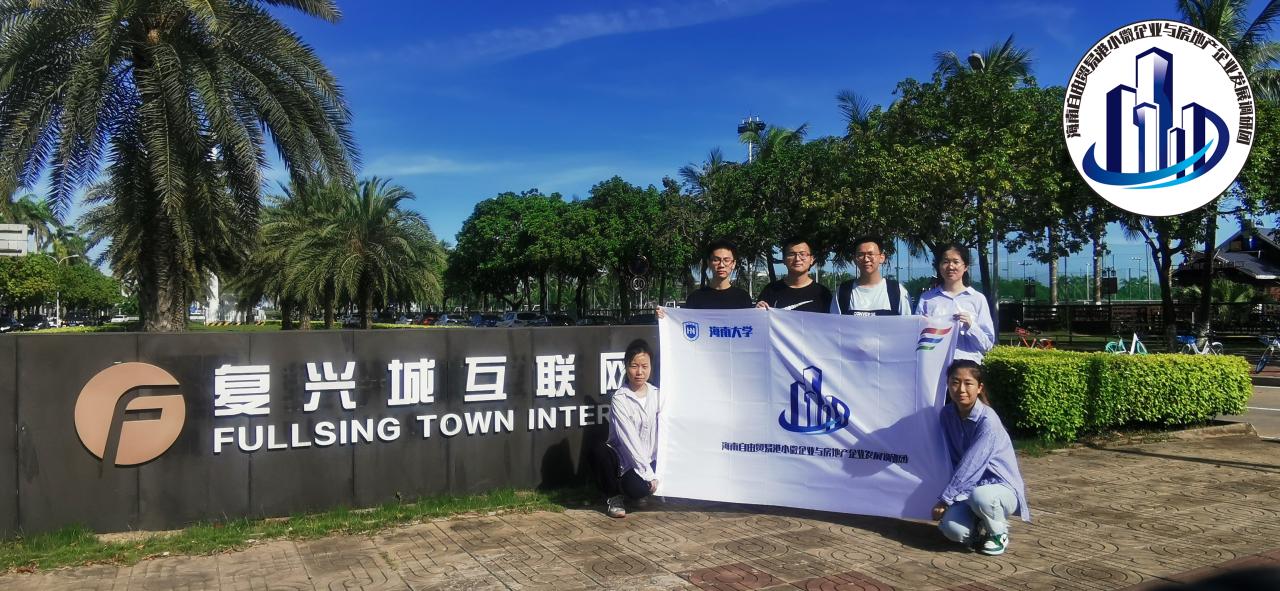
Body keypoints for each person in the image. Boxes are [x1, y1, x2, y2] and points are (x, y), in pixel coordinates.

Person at [933, 359, 1029, 556]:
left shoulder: (988, 422)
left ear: (979, 388)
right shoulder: (946, 414)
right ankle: (978, 527)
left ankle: (998, 533)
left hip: (999, 488)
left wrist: (945, 500)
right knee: (953, 531)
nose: (961, 389)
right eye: (954, 382)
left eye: (968, 383)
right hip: (967, 490)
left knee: (981, 498)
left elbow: (971, 465)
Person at [592, 339, 661, 518]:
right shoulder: (620, 399)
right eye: (634, 366)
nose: (639, 372)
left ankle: (640, 489)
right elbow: (630, 440)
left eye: (644, 366)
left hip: (650, 459)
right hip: (627, 461)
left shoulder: (658, 395)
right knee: (601, 452)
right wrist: (648, 474)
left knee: (643, 487)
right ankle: (614, 496)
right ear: (626, 366)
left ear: (651, 367)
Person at [915, 244, 995, 362]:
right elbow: (915, 337)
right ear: (939, 266)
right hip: (934, 364)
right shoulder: (927, 298)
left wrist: (970, 326)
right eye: (945, 262)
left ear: (965, 266)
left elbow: (987, 346)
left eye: (956, 262)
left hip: (967, 366)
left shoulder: (977, 299)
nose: (950, 266)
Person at [830, 236, 911, 316]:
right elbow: (834, 323)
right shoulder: (842, 291)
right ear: (854, 259)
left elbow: (907, 322)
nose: (866, 259)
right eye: (860, 255)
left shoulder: (897, 291)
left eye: (871, 254)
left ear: (882, 258)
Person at [755, 236, 832, 313]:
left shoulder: (823, 293)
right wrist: (758, 311)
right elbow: (759, 318)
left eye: (802, 254)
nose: (797, 259)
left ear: (811, 259)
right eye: (791, 254)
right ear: (784, 259)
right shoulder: (770, 290)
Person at [675, 239, 754, 310]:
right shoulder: (695, 298)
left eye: (726, 260)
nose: (721, 265)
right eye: (716, 260)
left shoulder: (743, 298)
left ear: (733, 264)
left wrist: (760, 311)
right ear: (709, 263)